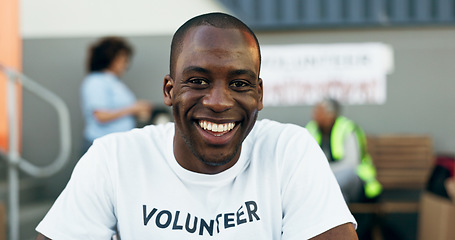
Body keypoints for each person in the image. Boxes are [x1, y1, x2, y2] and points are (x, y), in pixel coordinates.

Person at [35, 13, 358, 239]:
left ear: (259, 94)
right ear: (169, 90)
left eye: (239, 83)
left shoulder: (289, 149)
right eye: (198, 81)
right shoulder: (114, 158)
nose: (218, 101)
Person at [80, 36, 152, 154]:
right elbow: (100, 116)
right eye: (123, 59)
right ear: (111, 58)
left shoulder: (113, 82)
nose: (126, 64)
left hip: (117, 144)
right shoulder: (96, 81)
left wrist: (138, 111)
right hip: (102, 145)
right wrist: (133, 109)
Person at [306, 98, 382, 203]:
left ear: (331, 114)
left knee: (344, 177)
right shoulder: (311, 129)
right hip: (325, 180)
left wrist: (326, 173)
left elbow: (351, 164)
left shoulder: (347, 128)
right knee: (340, 197)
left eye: (319, 112)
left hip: (354, 181)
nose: (314, 115)